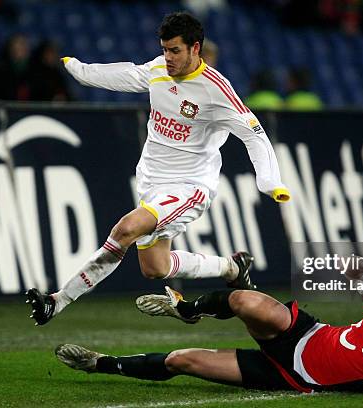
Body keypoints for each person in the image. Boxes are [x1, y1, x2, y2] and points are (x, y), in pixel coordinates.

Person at [25, 12, 291, 325]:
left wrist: (270, 182)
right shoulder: (158, 70)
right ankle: (231, 268)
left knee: (125, 230)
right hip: (151, 182)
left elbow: (253, 134)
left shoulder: (216, 90)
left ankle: (56, 301)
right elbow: (124, 75)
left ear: (195, 49)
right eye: (164, 49)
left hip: (189, 186)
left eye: (175, 50)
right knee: (155, 267)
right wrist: (81, 71)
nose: (167, 57)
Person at [55, 266, 363, 400]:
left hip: (291, 376)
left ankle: (97, 363)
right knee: (245, 300)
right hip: (304, 332)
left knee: (182, 360)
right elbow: (358, 273)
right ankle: (186, 309)